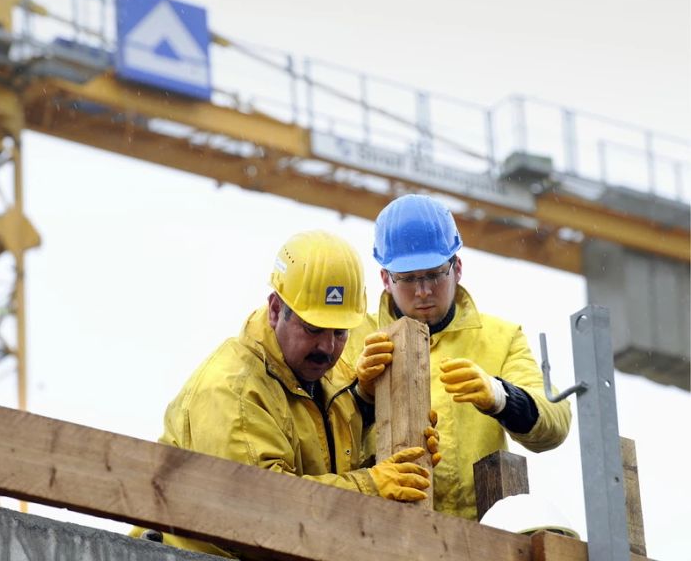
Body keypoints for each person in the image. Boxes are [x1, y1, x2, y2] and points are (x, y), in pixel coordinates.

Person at [133, 230, 439, 558]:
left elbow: (324, 471)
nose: (327, 347)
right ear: (277, 310)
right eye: (313, 329)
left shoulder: (327, 380)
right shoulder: (233, 391)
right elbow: (261, 513)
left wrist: (383, 440)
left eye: (340, 333)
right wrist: (371, 487)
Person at [345, 194, 572, 521]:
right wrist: (361, 397)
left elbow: (555, 423)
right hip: (378, 530)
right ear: (385, 279)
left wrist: (500, 396)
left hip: (478, 540)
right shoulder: (352, 337)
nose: (423, 290)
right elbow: (323, 437)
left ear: (457, 268)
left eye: (434, 274)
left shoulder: (500, 338)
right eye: (408, 279)